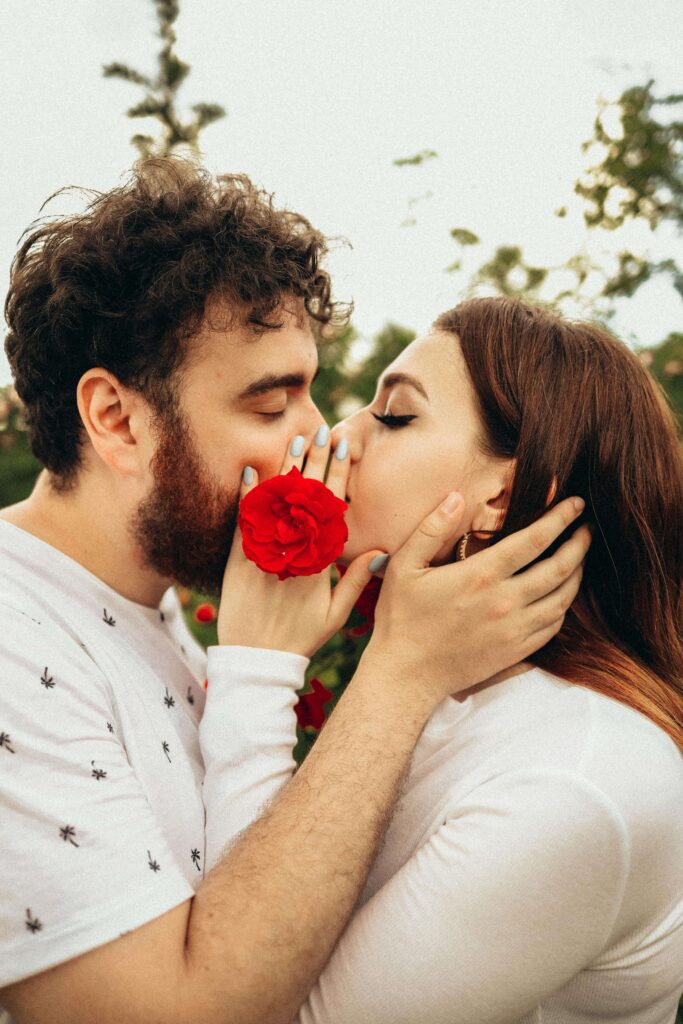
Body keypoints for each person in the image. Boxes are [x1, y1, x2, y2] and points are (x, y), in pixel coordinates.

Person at [0, 159, 590, 1024]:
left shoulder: (142, 602)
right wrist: (398, 675)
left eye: (309, 391)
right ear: (117, 421)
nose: (322, 437)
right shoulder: (14, 644)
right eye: (270, 407)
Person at [217, 296, 683, 1022]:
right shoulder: (453, 689)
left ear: (502, 494)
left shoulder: (576, 783)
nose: (339, 435)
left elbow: (246, 1009)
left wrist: (255, 671)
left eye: (395, 416)